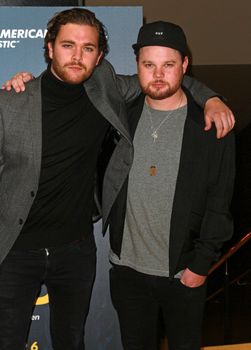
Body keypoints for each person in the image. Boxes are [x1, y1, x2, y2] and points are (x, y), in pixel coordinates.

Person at [0, 7, 234, 350]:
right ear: (50, 48)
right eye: (68, 45)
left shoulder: (104, 86)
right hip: (17, 249)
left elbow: (164, 77)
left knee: (72, 341)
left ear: (99, 56)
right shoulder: (12, 102)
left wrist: (211, 98)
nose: (78, 56)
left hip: (76, 250)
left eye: (89, 48)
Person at [102, 21, 236, 350]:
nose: (158, 74)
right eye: (149, 65)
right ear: (138, 67)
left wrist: (200, 264)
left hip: (183, 273)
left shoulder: (209, 125)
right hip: (126, 270)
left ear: (185, 66)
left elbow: (220, 202)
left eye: (168, 65)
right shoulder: (121, 116)